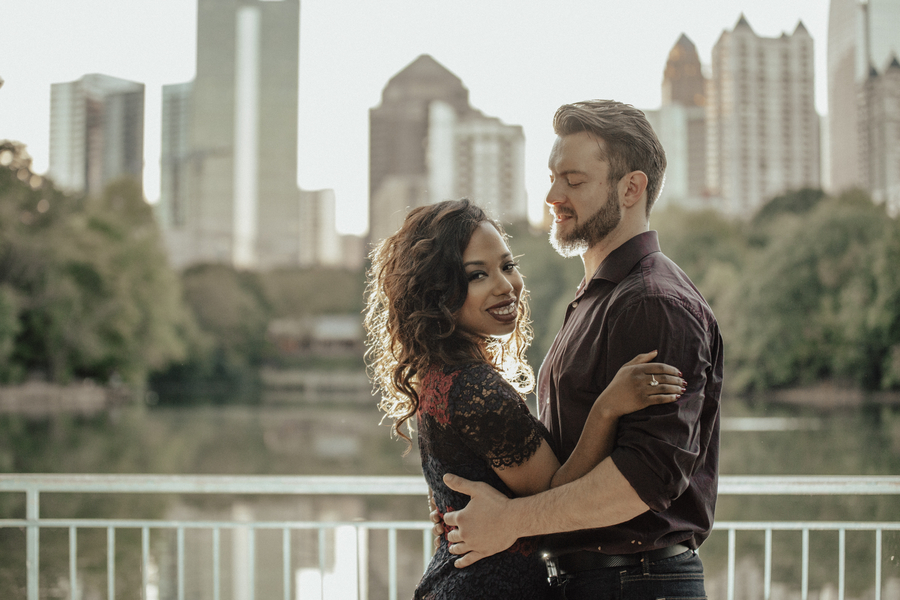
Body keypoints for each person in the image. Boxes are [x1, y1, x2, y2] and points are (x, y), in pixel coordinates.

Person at [441, 100, 724, 599]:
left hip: (635, 581)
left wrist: (510, 521)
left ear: (630, 188)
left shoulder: (652, 302)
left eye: (573, 180)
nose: (553, 195)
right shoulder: (600, 296)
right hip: (604, 581)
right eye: (553, 178)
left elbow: (644, 480)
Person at [363, 198, 686, 599]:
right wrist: (607, 408)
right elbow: (555, 495)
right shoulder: (475, 389)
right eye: (477, 275)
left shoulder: (442, 377)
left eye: (507, 266)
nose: (504, 286)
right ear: (438, 294)